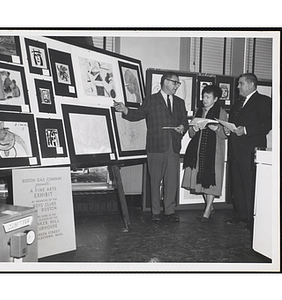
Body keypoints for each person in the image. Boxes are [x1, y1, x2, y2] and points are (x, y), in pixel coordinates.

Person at [114, 72, 188, 222]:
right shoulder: (151, 100)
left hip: (173, 147)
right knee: (155, 180)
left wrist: (182, 127)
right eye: (175, 83)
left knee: (171, 181)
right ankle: (155, 212)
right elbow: (138, 115)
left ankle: (169, 211)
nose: (177, 86)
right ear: (166, 82)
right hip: (155, 147)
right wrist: (125, 110)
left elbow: (184, 121)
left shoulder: (180, 102)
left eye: (177, 84)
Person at [225, 73, 272, 231]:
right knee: (237, 183)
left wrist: (245, 130)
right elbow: (234, 124)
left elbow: (266, 124)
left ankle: (253, 220)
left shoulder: (263, 101)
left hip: (250, 150)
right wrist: (228, 130)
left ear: (251, 85)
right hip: (236, 150)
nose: (238, 87)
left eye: (241, 84)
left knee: (250, 184)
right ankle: (241, 215)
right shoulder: (237, 103)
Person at [181, 85, 228, 222]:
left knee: (211, 181)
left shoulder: (221, 112)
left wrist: (216, 129)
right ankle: (210, 206)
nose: (204, 99)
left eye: (208, 97)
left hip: (214, 152)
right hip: (197, 150)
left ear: (215, 99)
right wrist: (194, 128)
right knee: (200, 180)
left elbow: (225, 134)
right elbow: (190, 133)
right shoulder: (199, 111)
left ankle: (207, 212)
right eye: (203, 96)